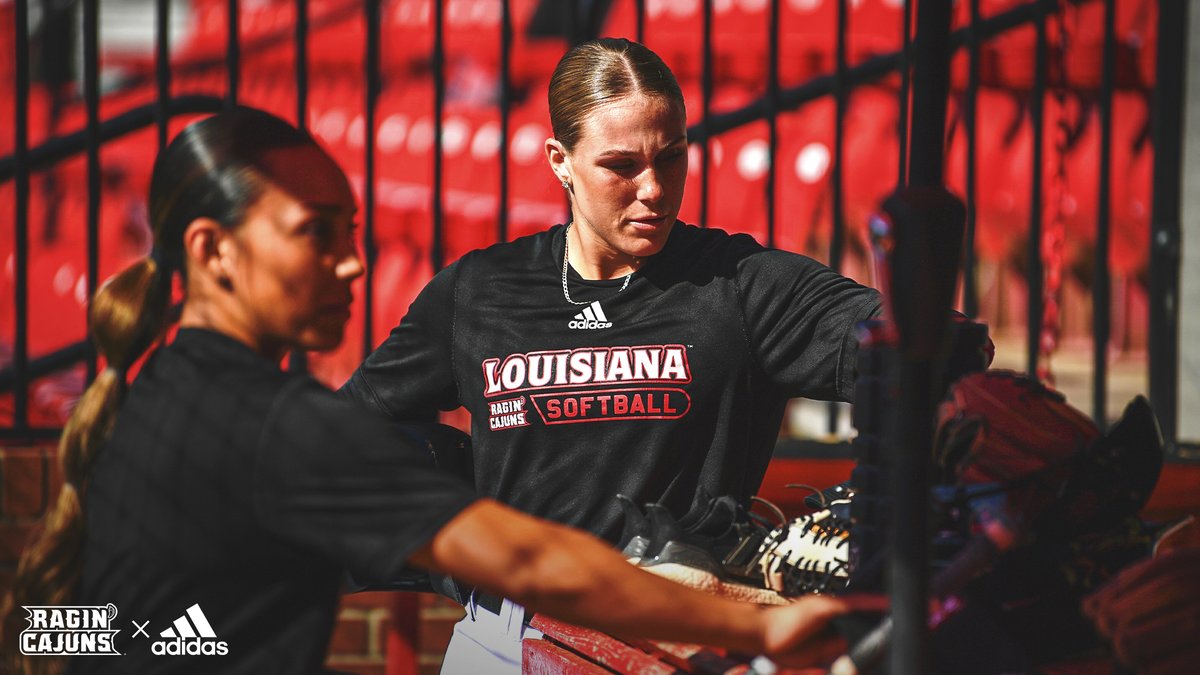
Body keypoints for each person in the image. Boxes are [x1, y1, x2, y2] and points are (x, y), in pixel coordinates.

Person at [0, 108, 876, 675]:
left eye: (352, 230)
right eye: (315, 234)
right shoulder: (288, 427)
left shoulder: (149, 398)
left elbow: (58, 632)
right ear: (211, 250)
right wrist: (760, 630)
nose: (352, 261)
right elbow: (537, 566)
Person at [340, 38, 883, 673]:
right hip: (505, 640)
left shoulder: (742, 284)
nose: (652, 189)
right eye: (621, 166)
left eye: (672, 157)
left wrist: (944, 361)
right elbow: (349, 429)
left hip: (681, 641)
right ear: (560, 161)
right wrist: (450, 532)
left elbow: (907, 343)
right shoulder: (480, 291)